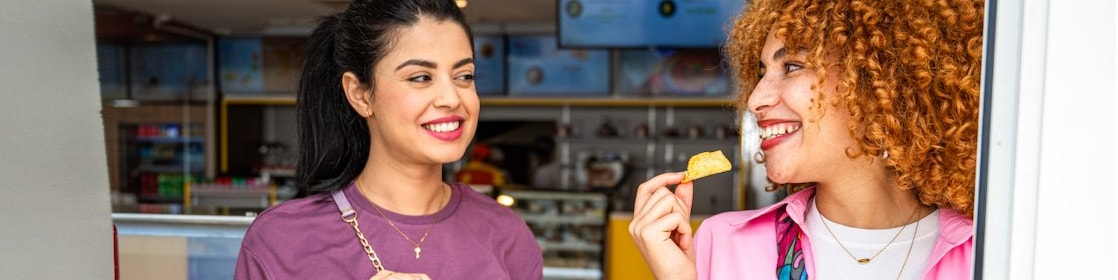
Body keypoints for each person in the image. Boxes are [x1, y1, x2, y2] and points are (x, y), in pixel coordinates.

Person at [629, 0, 984, 279]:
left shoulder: (988, 253)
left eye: (793, 67)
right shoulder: (722, 243)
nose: (754, 100)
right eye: (761, 72)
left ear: (880, 81)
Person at [234, 0, 543, 279]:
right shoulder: (281, 240)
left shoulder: (507, 234)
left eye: (464, 76)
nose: (451, 98)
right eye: (420, 78)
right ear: (360, 94)